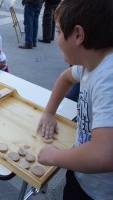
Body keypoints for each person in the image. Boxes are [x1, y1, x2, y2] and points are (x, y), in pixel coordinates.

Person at [36, 0, 113, 199]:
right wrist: (49, 113)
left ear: (78, 35)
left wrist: (53, 156)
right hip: (81, 173)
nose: (57, 40)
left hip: (99, 192)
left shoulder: (108, 78)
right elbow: (66, 77)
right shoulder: (92, 62)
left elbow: (103, 155)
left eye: (59, 32)